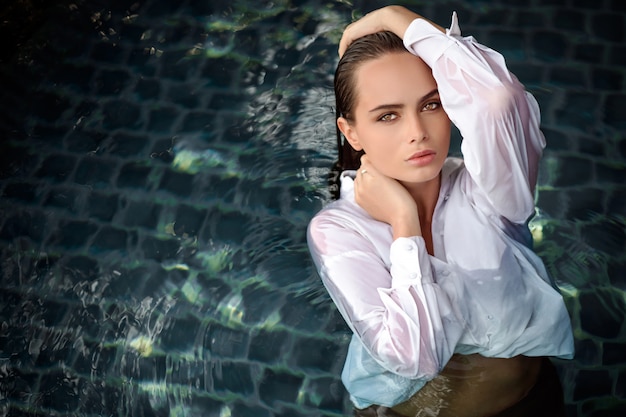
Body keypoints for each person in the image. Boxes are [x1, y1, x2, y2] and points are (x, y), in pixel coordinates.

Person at [307, 5, 574, 417]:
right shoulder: (338, 231)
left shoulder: (489, 190)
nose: (417, 132)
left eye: (431, 105)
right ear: (352, 131)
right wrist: (403, 224)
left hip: (531, 404)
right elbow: (415, 357)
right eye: (388, 115)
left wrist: (396, 17)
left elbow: (498, 99)